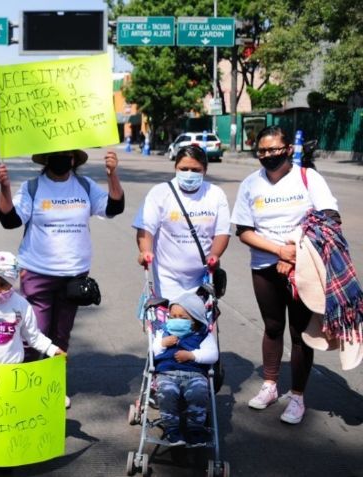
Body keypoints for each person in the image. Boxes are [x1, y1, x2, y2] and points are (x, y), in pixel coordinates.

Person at [0, 149, 124, 408]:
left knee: (61, 336)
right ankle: (29, 385)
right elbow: (10, 220)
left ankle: (53, 386)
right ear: (46, 159)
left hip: (74, 275)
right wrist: (4, 188)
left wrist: (112, 175)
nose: (62, 159)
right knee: (36, 333)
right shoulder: (32, 188)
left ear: (74, 159)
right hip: (37, 272)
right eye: (56, 155)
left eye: (67, 155)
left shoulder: (85, 186)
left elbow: (114, 206)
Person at [231, 126, 341, 424]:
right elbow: (243, 230)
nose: (268, 155)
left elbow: (330, 218)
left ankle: (297, 397)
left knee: (300, 333)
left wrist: (294, 248)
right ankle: (269, 386)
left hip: (304, 266)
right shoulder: (251, 184)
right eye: (262, 151)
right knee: (272, 326)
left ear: (289, 149)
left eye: (274, 149)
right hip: (265, 267)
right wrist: (279, 251)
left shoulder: (308, 178)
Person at [133, 145, 230, 299]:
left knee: (201, 321)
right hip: (167, 279)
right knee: (176, 323)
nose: (189, 173)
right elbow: (146, 228)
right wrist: (145, 250)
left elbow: (222, 232)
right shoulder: (160, 193)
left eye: (195, 170)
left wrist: (215, 255)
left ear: (205, 170)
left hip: (203, 278)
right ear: (175, 168)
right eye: (183, 169)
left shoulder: (216, 194)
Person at [152, 293, 218, 446]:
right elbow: (153, 352)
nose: (176, 321)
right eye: (173, 316)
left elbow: (212, 355)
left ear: (195, 321)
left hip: (194, 374)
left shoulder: (203, 335)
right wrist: (162, 344)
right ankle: (172, 428)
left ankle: (196, 428)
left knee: (199, 393)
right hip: (167, 373)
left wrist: (192, 356)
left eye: (182, 318)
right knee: (167, 393)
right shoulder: (164, 332)